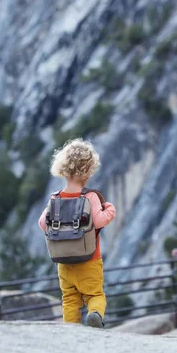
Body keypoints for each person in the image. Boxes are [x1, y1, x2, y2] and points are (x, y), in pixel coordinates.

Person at [38, 139, 116, 327]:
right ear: (88, 171)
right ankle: (95, 314)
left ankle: (71, 331)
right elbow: (99, 221)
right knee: (95, 295)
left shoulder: (55, 198)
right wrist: (109, 209)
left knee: (70, 299)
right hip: (89, 259)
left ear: (64, 169)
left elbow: (42, 224)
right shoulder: (90, 197)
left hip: (64, 262)